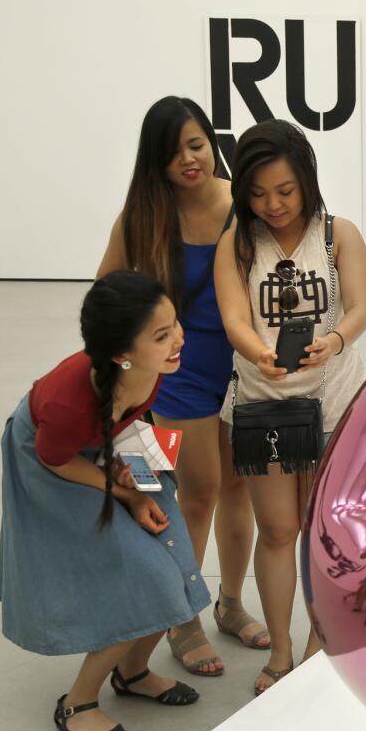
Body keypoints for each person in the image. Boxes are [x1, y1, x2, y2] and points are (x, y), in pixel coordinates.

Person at [0, 271, 210, 731]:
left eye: (175, 324)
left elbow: (133, 418)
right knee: (143, 580)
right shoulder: (69, 403)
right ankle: (76, 704)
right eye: (161, 336)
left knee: (175, 565)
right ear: (121, 353)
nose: (179, 339)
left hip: (107, 443)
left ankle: (132, 673)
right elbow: (53, 457)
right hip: (54, 457)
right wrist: (129, 495)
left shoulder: (154, 367)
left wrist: (132, 471)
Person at [96, 95, 266, 677]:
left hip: (242, 369)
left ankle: (231, 603)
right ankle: (183, 618)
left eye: (197, 145)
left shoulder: (241, 206)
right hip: (178, 377)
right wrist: (123, 375)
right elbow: (106, 297)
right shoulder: (143, 217)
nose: (189, 160)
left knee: (240, 492)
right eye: (174, 153)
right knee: (196, 494)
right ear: (156, 162)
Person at [214, 118, 366, 694]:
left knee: (323, 531)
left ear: (306, 180)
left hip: (334, 403)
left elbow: (358, 309)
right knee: (277, 530)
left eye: (284, 190)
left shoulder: (337, 235)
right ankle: (281, 652)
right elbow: (234, 317)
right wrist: (258, 352)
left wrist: (332, 341)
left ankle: (318, 643)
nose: (272, 204)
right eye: (257, 193)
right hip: (263, 407)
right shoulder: (237, 241)